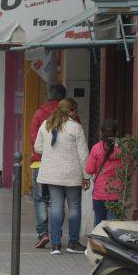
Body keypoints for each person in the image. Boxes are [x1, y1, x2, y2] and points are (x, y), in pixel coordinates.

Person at [34, 98, 89, 255]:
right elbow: (83, 154)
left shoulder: (46, 125)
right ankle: (73, 242)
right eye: (75, 110)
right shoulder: (76, 128)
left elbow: (38, 148)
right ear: (70, 111)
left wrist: (52, 153)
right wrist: (86, 176)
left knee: (56, 206)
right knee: (74, 207)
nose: (76, 113)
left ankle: (56, 245)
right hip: (72, 174)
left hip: (52, 174)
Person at [28, 84, 67, 249]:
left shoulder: (39, 113)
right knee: (58, 200)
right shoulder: (69, 114)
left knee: (40, 200)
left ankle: (43, 234)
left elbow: (33, 137)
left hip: (40, 162)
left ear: (49, 95)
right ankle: (56, 233)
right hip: (62, 164)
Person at [85, 119, 123, 226]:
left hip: (99, 192)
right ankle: (111, 242)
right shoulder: (122, 149)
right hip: (115, 192)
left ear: (101, 132)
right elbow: (127, 168)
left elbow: (89, 169)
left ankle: (99, 242)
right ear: (117, 133)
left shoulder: (96, 148)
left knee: (99, 222)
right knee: (113, 223)